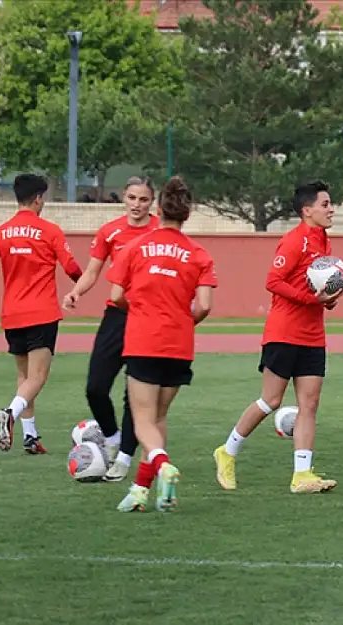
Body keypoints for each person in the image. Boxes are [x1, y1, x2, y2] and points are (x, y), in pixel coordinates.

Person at [213, 182, 343, 493]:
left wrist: (328, 298)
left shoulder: (324, 242)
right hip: (284, 332)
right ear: (307, 210)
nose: (331, 209)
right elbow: (273, 281)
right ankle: (226, 452)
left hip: (313, 334)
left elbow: (315, 288)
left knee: (309, 404)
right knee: (271, 400)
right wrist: (312, 299)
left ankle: (302, 475)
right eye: (325, 204)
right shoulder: (294, 240)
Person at [109, 176, 217, 513]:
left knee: (142, 420)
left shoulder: (134, 248)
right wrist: (185, 321)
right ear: (188, 213)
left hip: (143, 340)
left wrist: (141, 311)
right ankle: (143, 491)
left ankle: (162, 465)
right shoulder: (199, 255)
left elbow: (115, 296)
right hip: (179, 344)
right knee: (158, 419)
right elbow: (205, 305)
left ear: (157, 209)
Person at [0, 173, 83, 454]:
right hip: (42, 313)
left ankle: (30, 438)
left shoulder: (0, 232)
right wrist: (82, 284)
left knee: (24, 378)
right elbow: (71, 266)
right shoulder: (50, 231)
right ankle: (9, 412)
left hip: (12, 314)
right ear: (38, 198)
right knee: (39, 377)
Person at [62, 177, 160, 481]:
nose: (137, 204)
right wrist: (76, 291)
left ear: (152, 202)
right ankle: (113, 438)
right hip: (116, 315)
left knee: (136, 394)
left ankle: (125, 458)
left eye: (143, 199)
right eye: (132, 197)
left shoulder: (160, 231)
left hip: (148, 318)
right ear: (125, 199)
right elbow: (92, 271)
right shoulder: (110, 231)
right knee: (95, 387)